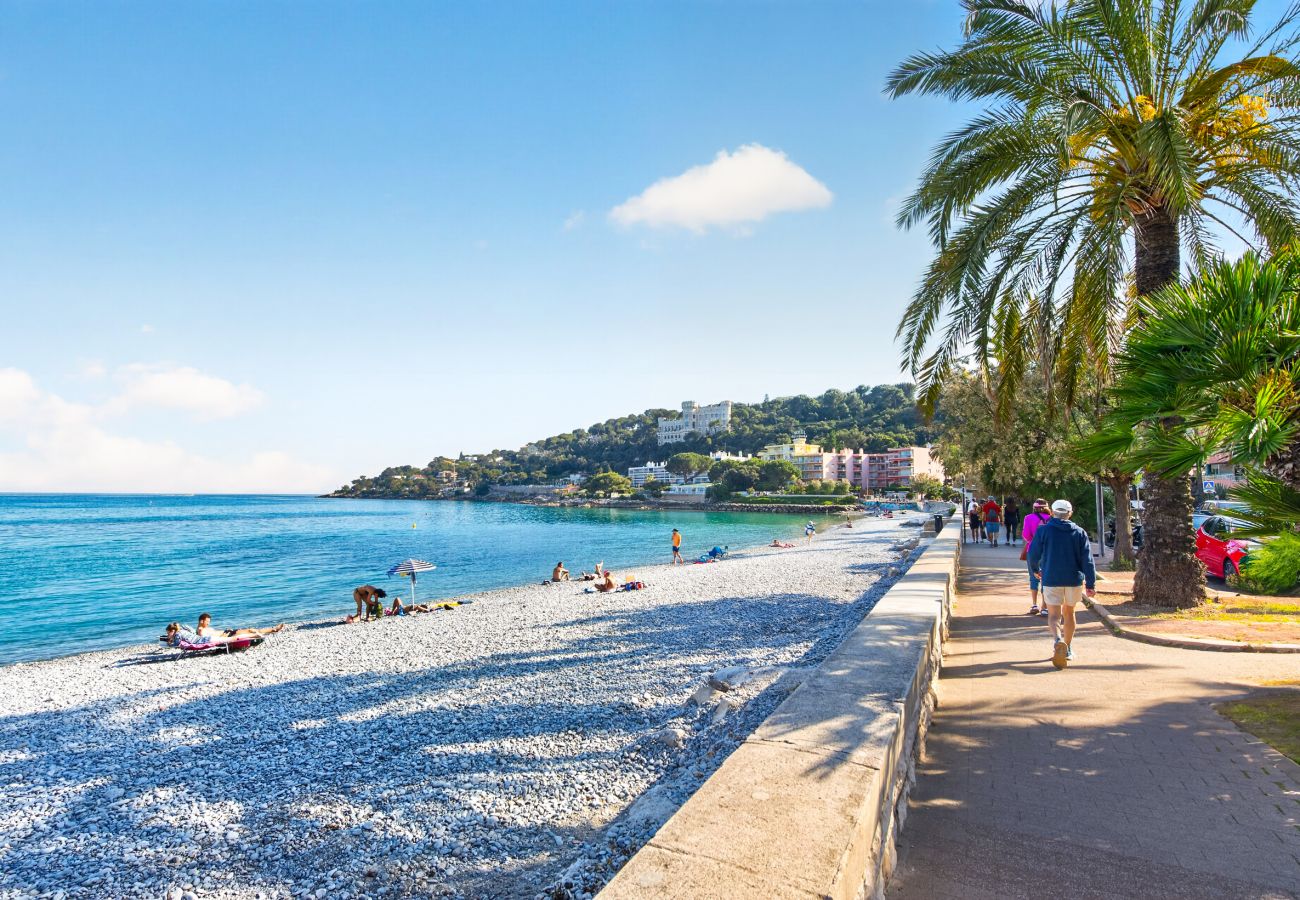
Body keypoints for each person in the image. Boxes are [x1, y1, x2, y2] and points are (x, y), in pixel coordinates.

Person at [1027, 499, 1096, 669]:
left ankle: (1057, 640)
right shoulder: (1079, 532)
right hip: (1073, 579)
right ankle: (1068, 647)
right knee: (1069, 612)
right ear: (1070, 513)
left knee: (1054, 615)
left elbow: (1033, 553)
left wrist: (1035, 570)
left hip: (1051, 578)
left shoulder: (1044, 530)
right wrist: (1091, 583)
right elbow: (1087, 559)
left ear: (1053, 513)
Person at [1021, 499, 1053, 616]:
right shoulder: (1051, 519)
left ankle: (1034, 604)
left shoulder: (1028, 518)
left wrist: (1034, 543)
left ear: (1034, 507)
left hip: (1033, 551)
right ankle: (1045, 607)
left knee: (1033, 577)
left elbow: (1026, 535)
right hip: (1048, 552)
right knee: (1046, 578)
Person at [195, 613, 284, 642]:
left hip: (228, 632)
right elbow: (212, 638)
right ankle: (274, 630)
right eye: (207, 621)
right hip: (228, 636)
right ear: (201, 621)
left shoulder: (204, 629)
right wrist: (224, 635)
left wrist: (225, 631)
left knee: (251, 630)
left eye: (209, 621)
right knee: (251, 630)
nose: (208, 623)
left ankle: (273, 630)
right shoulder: (201, 631)